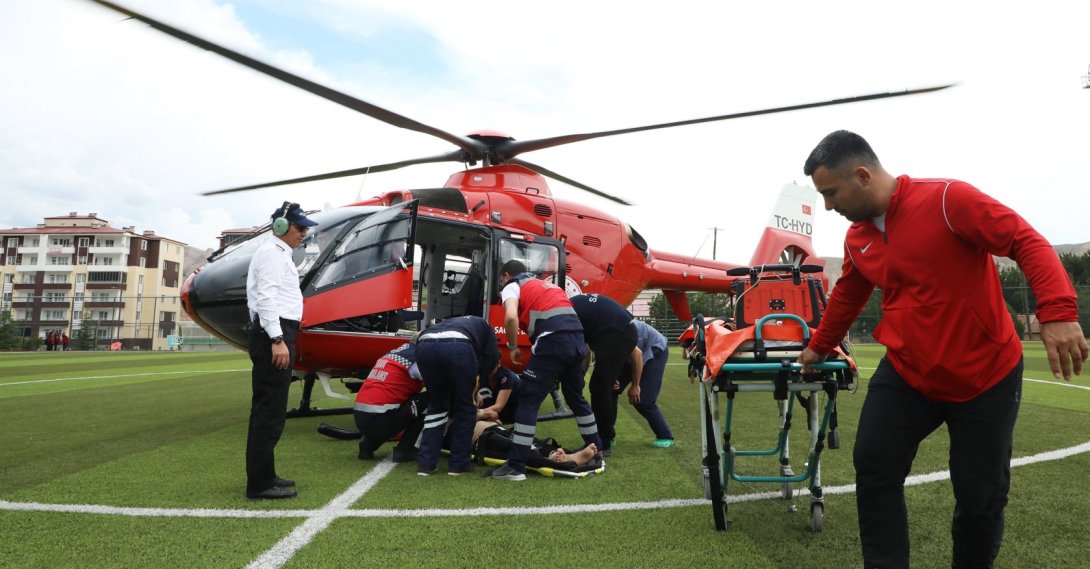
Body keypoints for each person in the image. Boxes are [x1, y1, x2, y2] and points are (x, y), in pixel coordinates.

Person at [796, 130, 1087, 569]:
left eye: (830, 193)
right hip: (909, 374)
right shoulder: (857, 239)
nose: (829, 206)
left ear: (861, 175)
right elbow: (849, 295)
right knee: (874, 465)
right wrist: (817, 348)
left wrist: (1059, 311)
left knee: (980, 497)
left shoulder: (950, 201)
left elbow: (1025, 240)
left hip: (984, 376)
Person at [488, 260, 602, 481]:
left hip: (553, 342)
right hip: (577, 341)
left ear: (506, 275)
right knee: (575, 397)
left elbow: (511, 317)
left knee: (528, 400)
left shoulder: (513, 285)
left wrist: (512, 347)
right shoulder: (546, 285)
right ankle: (597, 448)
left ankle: (515, 466)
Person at [244, 201, 318, 500]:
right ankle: (259, 484)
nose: (304, 233)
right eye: (300, 228)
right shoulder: (271, 255)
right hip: (273, 332)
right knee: (269, 411)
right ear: (281, 227)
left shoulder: (278, 254)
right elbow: (266, 298)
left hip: (277, 330)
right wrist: (277, 339)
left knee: (269, 409)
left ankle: (266, 475)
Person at [415, 315, 500, 476]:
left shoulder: (452, 322)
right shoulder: (486, 326)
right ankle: (459, 465)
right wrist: (478, 385)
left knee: (437, 406)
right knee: (466, 407)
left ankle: (426, 464)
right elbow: (492, 357)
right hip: (457, 347)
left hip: (424, 344)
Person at [570, 293, 641, 456]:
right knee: (603, 385)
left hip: (618, 334)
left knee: (600, 387)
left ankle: (603, 441)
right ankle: (604, 437)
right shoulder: (577, 310)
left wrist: (636, 386)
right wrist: (581, 374)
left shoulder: (566, 313)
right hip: (616, 333)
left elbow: (637, 354)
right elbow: (585, 351)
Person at [354, 342, 427, 463]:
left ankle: (367, 444)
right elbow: (436, 382)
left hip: (361, 417)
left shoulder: (392, 354)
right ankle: (406, 449)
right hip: (381, 419)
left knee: (398, 401)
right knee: (432, 399)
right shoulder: (415, 358)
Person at [615, 319, 674, 448]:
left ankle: (665, 435)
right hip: (632, 353)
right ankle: (606, 435)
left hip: (654, 348)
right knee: (610, 389)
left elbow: (637, 356)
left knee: (643, 399)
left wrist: (635, 386)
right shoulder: (601, 330)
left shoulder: (625, 329)